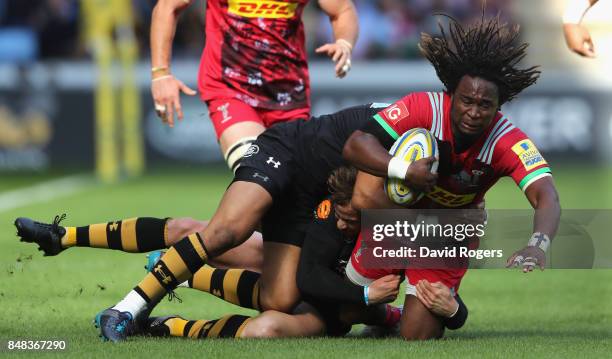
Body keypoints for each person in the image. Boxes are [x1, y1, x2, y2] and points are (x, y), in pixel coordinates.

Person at [341, 14, 561, 340]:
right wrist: (404, 170)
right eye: (467, 101)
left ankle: (423, 309)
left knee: (417, 335)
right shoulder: (422, 108)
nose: (474, 112)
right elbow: (356, 144)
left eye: (486, 105)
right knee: (346, 311)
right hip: (395, 221)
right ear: (451, 95)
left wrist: (538, 244)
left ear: (499, 105)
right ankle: (386, 315)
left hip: (445, 233)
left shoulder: (507, 141)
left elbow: (547, 195)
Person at [150, 0, 358, 171]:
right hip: (230, 86)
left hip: (288, 93)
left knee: (294, 191)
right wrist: (160, 74)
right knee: (256, 170)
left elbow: (342, 10)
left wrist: (344, 43)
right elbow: (167, 7)